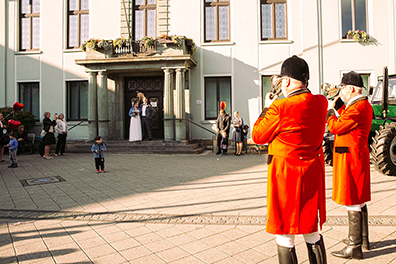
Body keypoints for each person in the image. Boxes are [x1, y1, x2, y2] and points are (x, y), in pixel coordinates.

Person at [252, 55, 328, 264]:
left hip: (285, 179)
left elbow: (258, 136)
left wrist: (268, 107)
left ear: (286, 81)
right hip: (311, 174)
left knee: (285, 233)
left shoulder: (280, 107)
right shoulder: (321, 102)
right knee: (311, 230)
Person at [327, 71, 372, 260]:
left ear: (352, 88)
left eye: (343, 88)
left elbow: (335, 126)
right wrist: (339, 104)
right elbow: (345, 115)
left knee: (352, 199)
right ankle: (362, 239)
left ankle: (354, 247)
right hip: (353, 155)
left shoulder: (358, 107)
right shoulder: (359, 105)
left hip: (350, 158)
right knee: (358, 199)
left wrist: (330, 111)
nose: (341, 92)